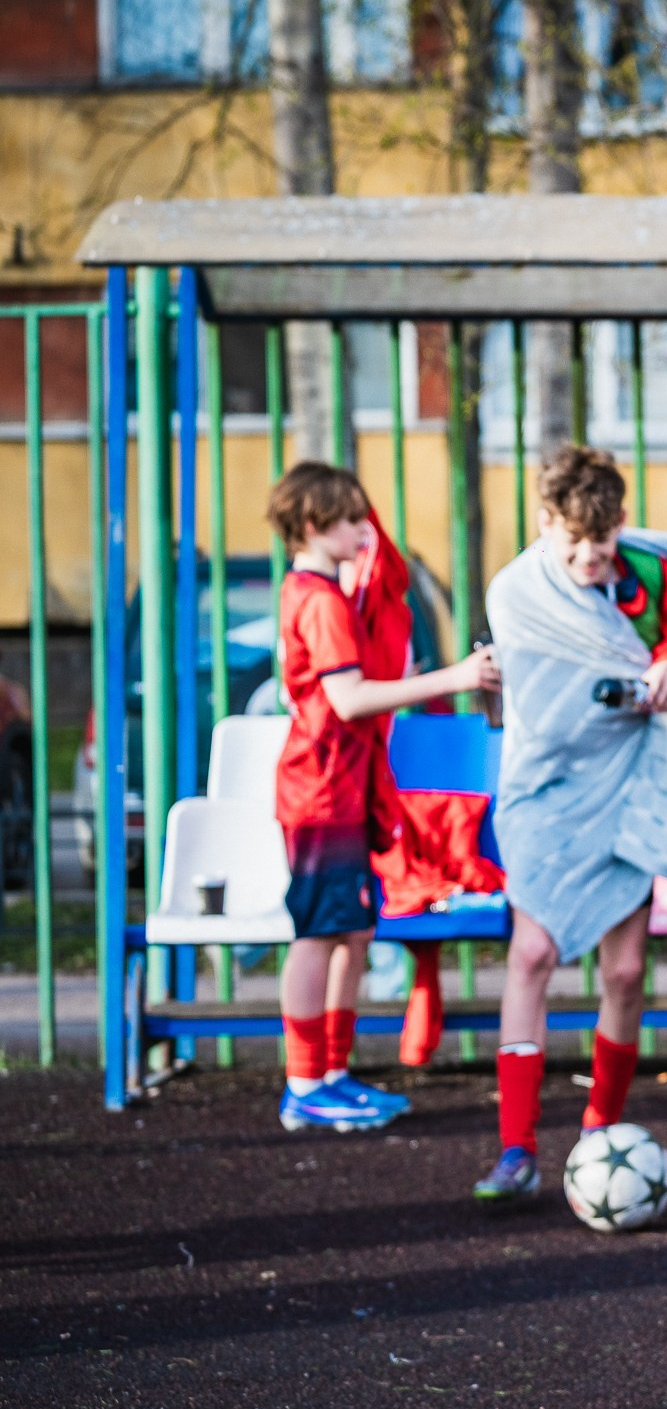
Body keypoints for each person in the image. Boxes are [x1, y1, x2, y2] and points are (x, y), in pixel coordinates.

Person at [473, 448, 667, 1207]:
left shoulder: (649, 573)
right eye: (573, 548)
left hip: (626, 784)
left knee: (625, 971)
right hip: (545, 790)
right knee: (532, 953)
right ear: (543, 526)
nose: (591, 561)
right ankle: (517, 1148)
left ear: (621, 524)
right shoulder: (516, 591)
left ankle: (600, 1131)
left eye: (602, 545)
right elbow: (554, 703)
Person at [266, 462, 497, 1131]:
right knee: (318, 934)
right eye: (350, 519)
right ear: (315, 525)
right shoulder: (323, 600)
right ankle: (306, 1081)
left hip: (339, 787)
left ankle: (329, 1072)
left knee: (352, 930)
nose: (365, 530)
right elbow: (349, 697)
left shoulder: (310, 592)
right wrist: (452, 678)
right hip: (323, 789)